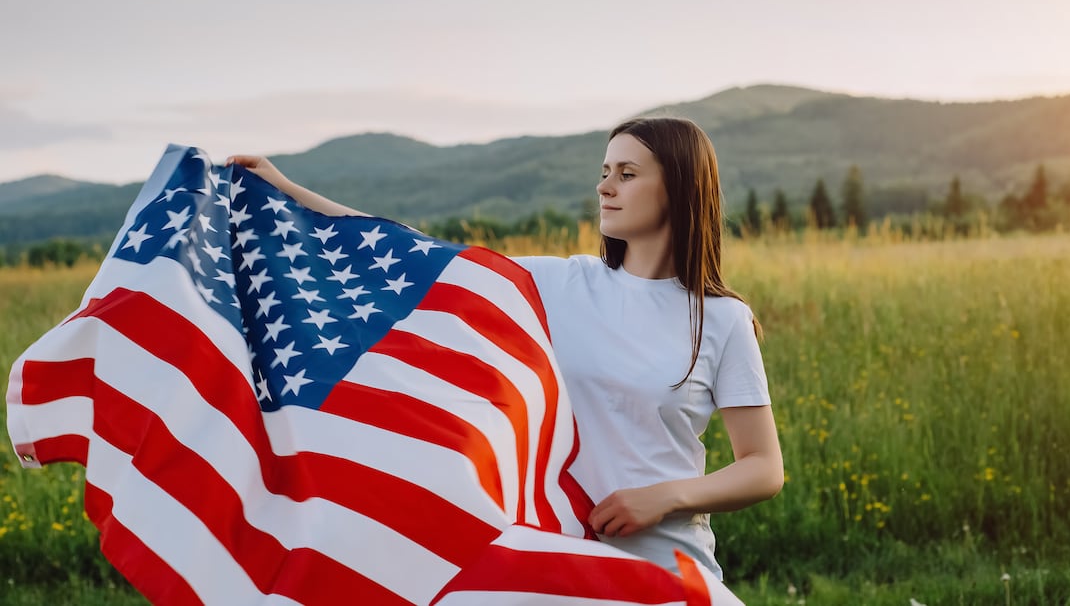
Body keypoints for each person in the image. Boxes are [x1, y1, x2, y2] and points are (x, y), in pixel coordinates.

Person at [226, 116, 783, 578]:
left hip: (668, 564)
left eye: (628, 173)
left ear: (680, 186)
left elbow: (762, 467)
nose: (605, 186)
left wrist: (665, 497)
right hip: (559, 560)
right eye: (604, 171)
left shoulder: (722, 320)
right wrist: (286, 192)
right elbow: (414, 257)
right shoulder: (556, 285)